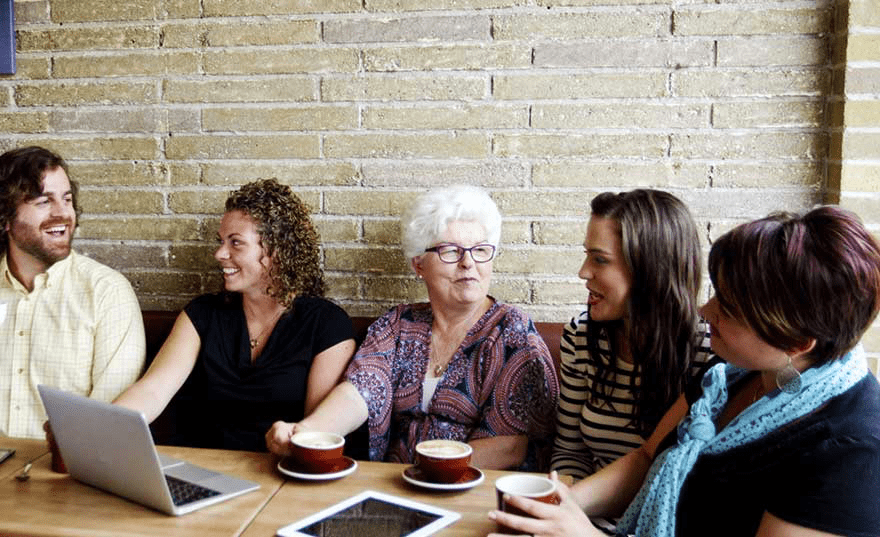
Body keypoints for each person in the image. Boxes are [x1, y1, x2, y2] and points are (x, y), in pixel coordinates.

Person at [488, 205, 880, 537]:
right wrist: (562, 504)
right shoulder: (725, 376)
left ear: (796, 342)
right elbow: (646, 458)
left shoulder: (850, 453)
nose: (706, 311)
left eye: (728, 308)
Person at [266, 185, 559, 471]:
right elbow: (360, 392)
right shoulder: (398, 325)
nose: (468, 263)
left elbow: (510, 446)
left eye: (480, 250)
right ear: (419, 264)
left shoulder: (511, 331)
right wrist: (304, 433)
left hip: (476, 491)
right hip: (396, 486)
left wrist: (426, 472)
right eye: (451, 251)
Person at [114, 179, 355, 452]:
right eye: (221, 242)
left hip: (281, 475)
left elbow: (317, 434)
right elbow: (153, 390)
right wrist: (101, 427)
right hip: (202, 470)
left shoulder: (326, 324)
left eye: (236, 243)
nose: (219, 254)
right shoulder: (202, 314)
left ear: (277, 251)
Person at [551, 190, 711, 480]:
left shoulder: (710, 353)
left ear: (649, 268)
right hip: (585, 511)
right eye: (587, 256)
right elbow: (569, 452)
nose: (583, 272)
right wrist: (569, 509)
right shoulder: (581, 336)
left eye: (600, 260)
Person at [0, 146, 145, 439]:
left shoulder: (106, 293)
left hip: (61, 473)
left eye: (67, 199)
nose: (63, 213)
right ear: (5, 218)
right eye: (44, 201)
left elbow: (109, 420)